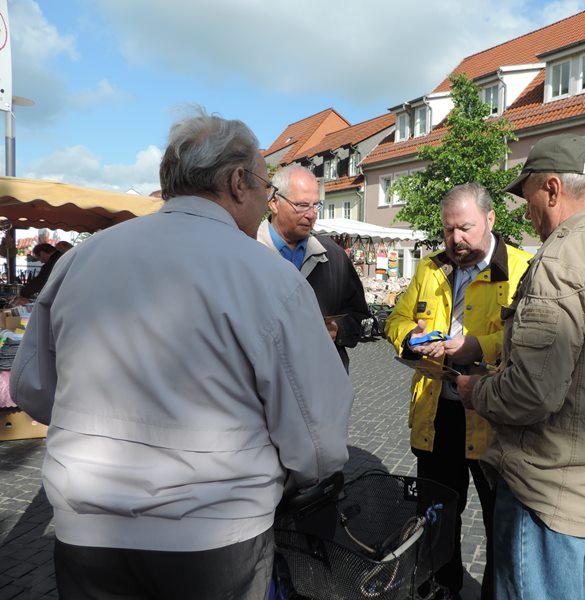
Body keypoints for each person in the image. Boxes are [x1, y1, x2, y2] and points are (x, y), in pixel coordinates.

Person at [10, 109, 353, 600]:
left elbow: (33, 390)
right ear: (238, 181)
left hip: (87, 529)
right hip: (216, 536)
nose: (265, 201)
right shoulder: (267, 277)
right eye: (264, 187)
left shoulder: (80, 261)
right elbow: (317, 438)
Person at [456, 134, 585, 600]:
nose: (527, 214)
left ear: (552, 189)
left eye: (528, 200)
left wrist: (476, 392)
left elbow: (532, 393)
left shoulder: (565, 257)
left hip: (550, 490)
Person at [384, 182, 531, 600]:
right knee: (437, 517)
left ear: (491, 219)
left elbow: (530, 340)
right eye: (448, 230)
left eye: (465, 228)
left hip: (492, 421)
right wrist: (408, 338)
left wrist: (476, 346)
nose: (456, 240)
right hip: (436, 415)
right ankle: (441, 587)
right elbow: (396, 319)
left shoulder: (521, 269)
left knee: (499, 521)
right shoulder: (430, 269)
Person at [257, 164, 369, 372]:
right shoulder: (246, 251)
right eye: (301, 205)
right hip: (260, 389)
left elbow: (360, 317)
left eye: (316, 205)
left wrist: (337, 330)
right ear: (274, 202)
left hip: (321, 388)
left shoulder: (333, 255)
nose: (311, 215)